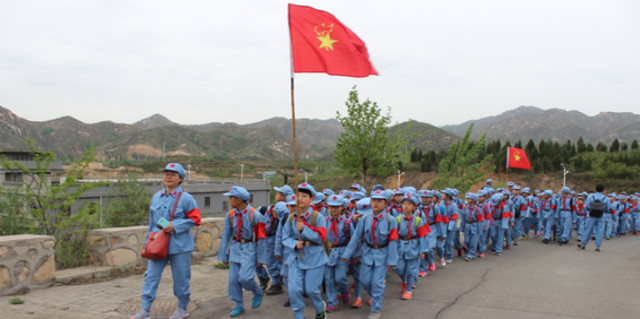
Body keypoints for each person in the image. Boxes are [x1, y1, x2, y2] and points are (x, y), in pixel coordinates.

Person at [132, 163, 201, 319]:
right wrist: (146, 242)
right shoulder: (156, 197)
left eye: (173, 174)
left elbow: (195, 219)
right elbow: (152, 222)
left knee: (181, 278)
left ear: (180, 178)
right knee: (151, 276)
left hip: (180, 246)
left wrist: (175, 226)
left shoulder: (186, 198)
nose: (168, 177)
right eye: (166, 173)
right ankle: (145, 310)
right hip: (157, 245)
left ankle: (182, 308)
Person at [342, 189, 399, 319]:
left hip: (383, 254)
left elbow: (393, 241)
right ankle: (375, 296)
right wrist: (347, 254)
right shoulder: (365, 218)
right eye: (374, 200)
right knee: (364, 280)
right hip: (367, 253)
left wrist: (392, 260)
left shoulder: (391, 220)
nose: (376, 203)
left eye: (380, 201)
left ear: (386, 204)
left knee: (377, 282)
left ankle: (375, 309)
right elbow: (356, 237)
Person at [218, 186, 267, 317]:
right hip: (235, 249)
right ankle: (239, 305)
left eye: (231, 198)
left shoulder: (255, 215)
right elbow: (226, 236)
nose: (229, 200)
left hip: (250, 249)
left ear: (239, 200)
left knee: (245, 277)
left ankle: (257, 291)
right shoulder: (231, 215)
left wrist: (260, 259)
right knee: (233, 280)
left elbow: (261, 238)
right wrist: (224, 255)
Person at [282, 183, 328, 319]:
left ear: (311, 199)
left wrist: (305, 230)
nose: (300, 199)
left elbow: (322, 238)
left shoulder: (317, 217)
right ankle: (299, 316)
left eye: (304, 196)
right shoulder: (291, 218)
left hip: (315, 257)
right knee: (294, 290)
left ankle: (320, 308)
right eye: (298, 196)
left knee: (311, 290)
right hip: (296, 257)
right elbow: (285, 237)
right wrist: (294, 244)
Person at [257, 185, 293, 295]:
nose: (276, 196)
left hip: (273, 238)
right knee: (263, 261)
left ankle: (276, 284)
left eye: (277, 194)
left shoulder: (282, 208)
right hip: (266, 238)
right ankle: (267, 278)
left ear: (283, 197)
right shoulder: (272, 208)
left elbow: (282, 223)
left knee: (272, 261)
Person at [394, 192, 429, 300]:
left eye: (409, 204)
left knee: (411, 270)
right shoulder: (398, 219)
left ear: (414, 206)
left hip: (413, 247)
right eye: (404, 204)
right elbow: (394, 235)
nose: (406, 206)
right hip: (400, 247)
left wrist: (422, 251)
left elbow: (423, 236)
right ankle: (404, 280)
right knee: (399, 268)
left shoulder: (418, 220)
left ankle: (408, 290)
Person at [324, 195, 353, 312]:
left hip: (342, 252)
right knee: (329, 279)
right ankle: (332, 302)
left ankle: (345, 290)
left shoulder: (347, 223)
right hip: (328, 252)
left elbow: (353, 240)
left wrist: (351, 255)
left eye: (336, 207)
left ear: (342, 207)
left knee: (340, 277)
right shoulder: (325, 221)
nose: (334, 209)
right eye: (331, 207)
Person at [578, 184, 609, 251]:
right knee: (600, 231)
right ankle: (597, 246)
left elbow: (586, 206)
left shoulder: (591, 197)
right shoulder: (606, 198)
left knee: (587, 230)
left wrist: (590, 211)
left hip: (591, 215)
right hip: (601, 216)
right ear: (603, 190)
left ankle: (583, 244)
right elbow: (608, 208)